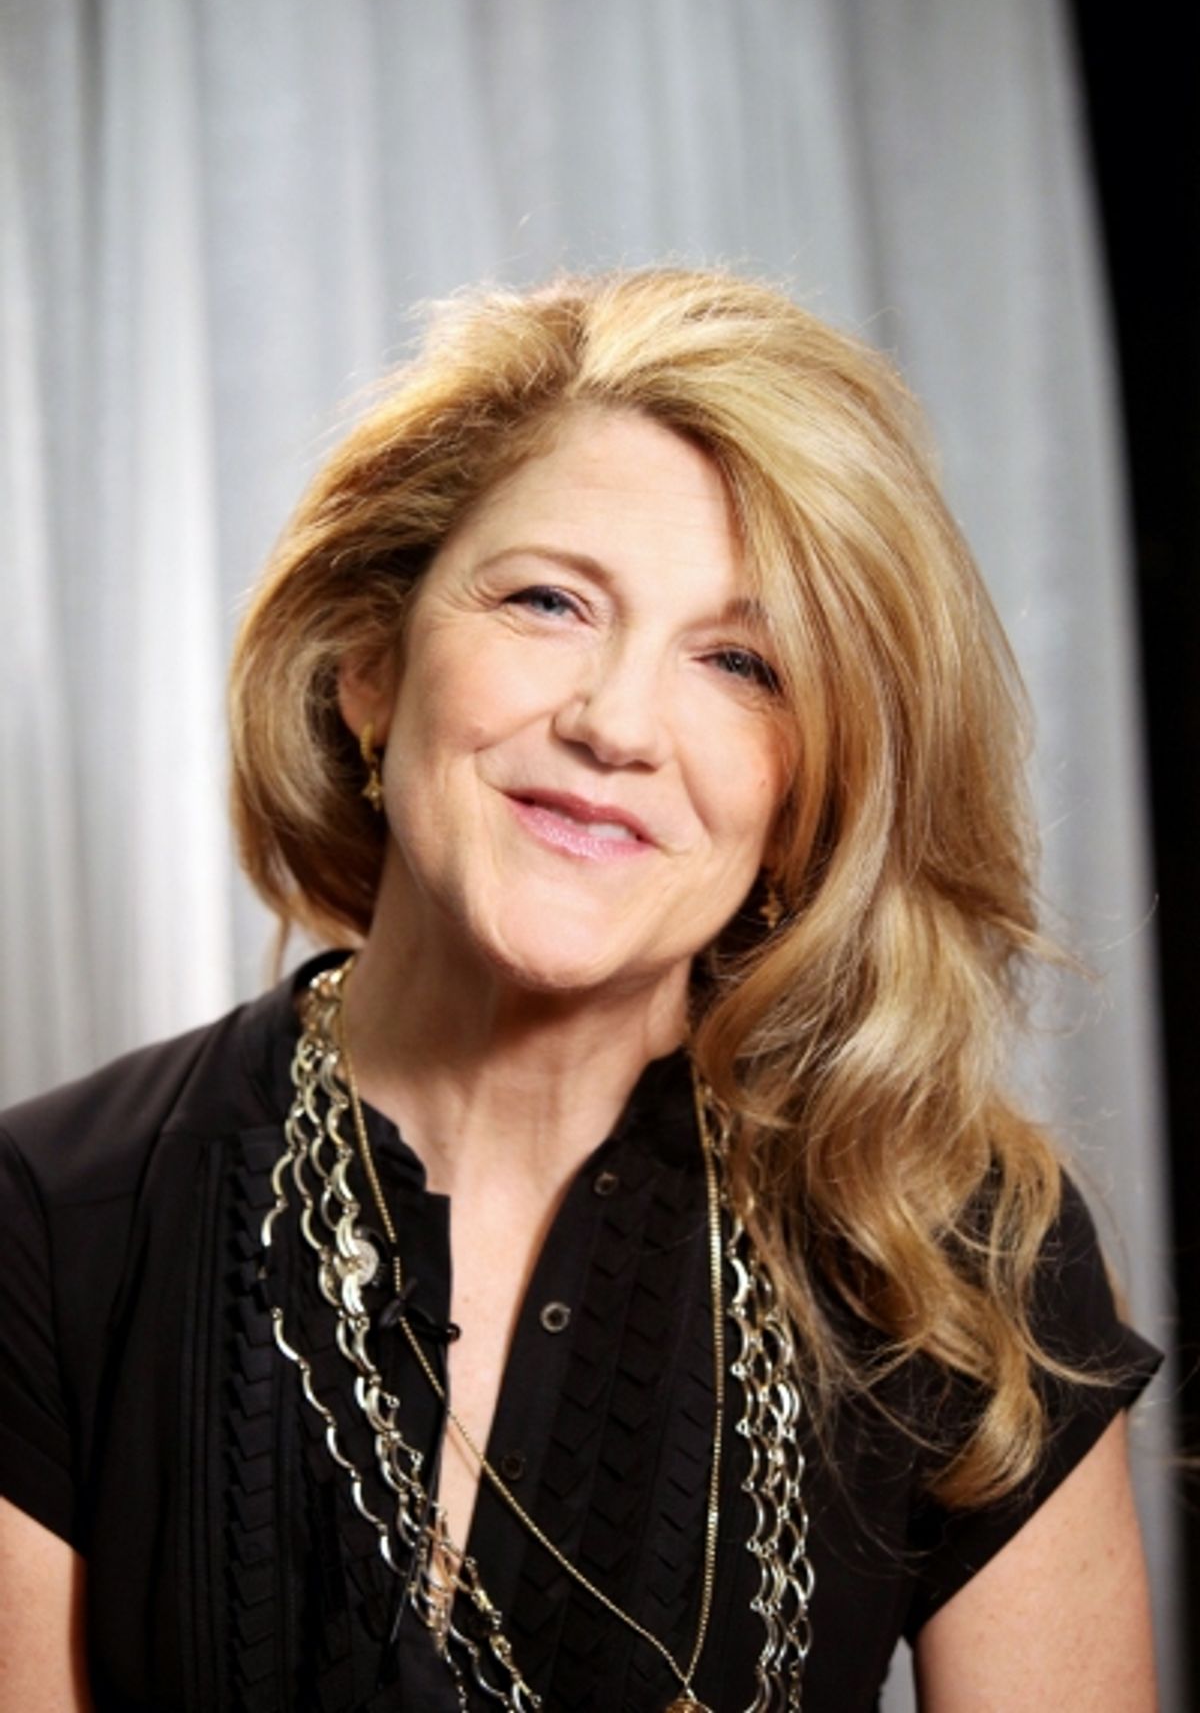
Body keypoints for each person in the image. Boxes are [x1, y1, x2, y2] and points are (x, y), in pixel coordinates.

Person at [0, 268, 1160, 1712]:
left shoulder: (948, 1253)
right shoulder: (48, 1220)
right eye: (548, 601)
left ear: (814, 791)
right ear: (371, 662)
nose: (615, 723)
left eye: (741, 662)